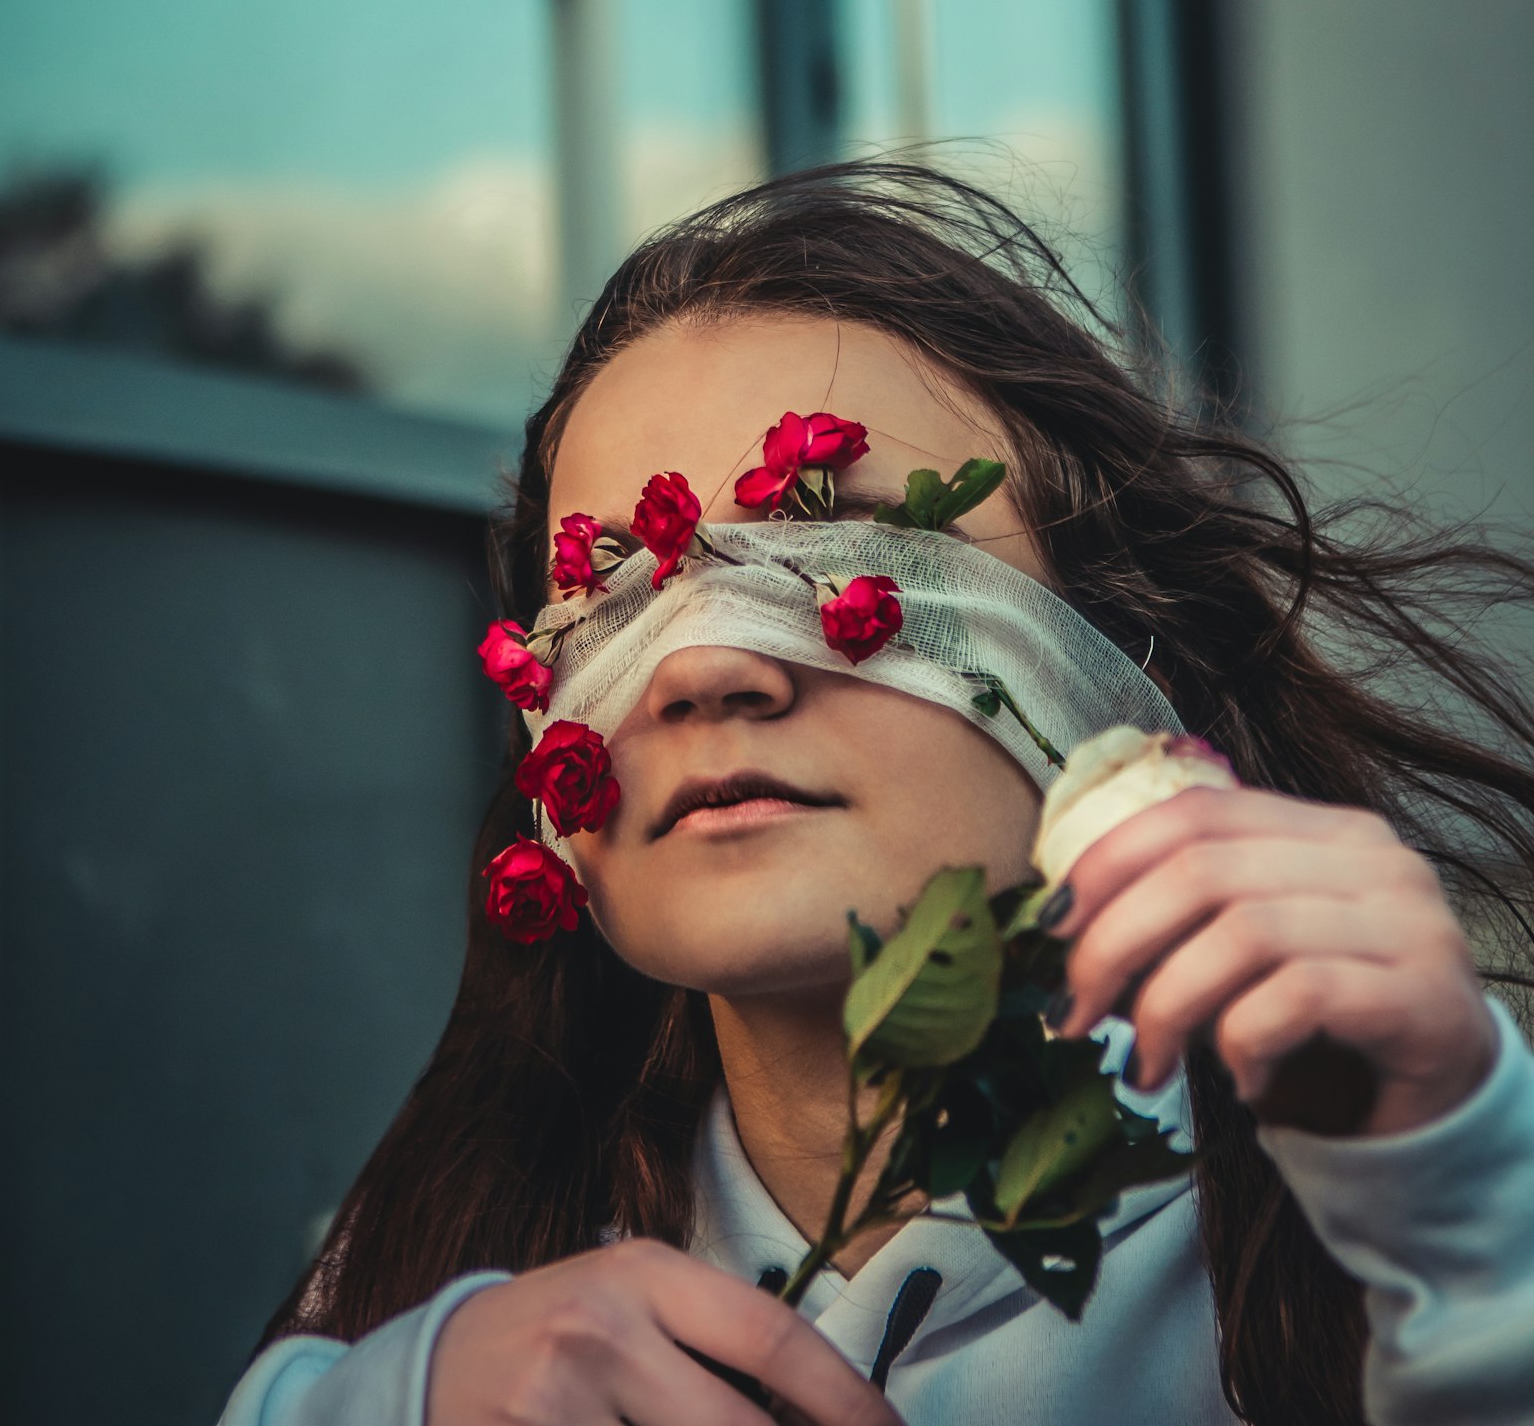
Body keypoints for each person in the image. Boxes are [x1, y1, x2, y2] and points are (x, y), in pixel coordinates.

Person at [220, 164, 1534, 1426]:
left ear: (1119, 667)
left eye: (848, 546)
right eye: (610, 581)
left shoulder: (1419, 1207)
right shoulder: (435, 1275)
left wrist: (1473, 1226)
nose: (705, 667)